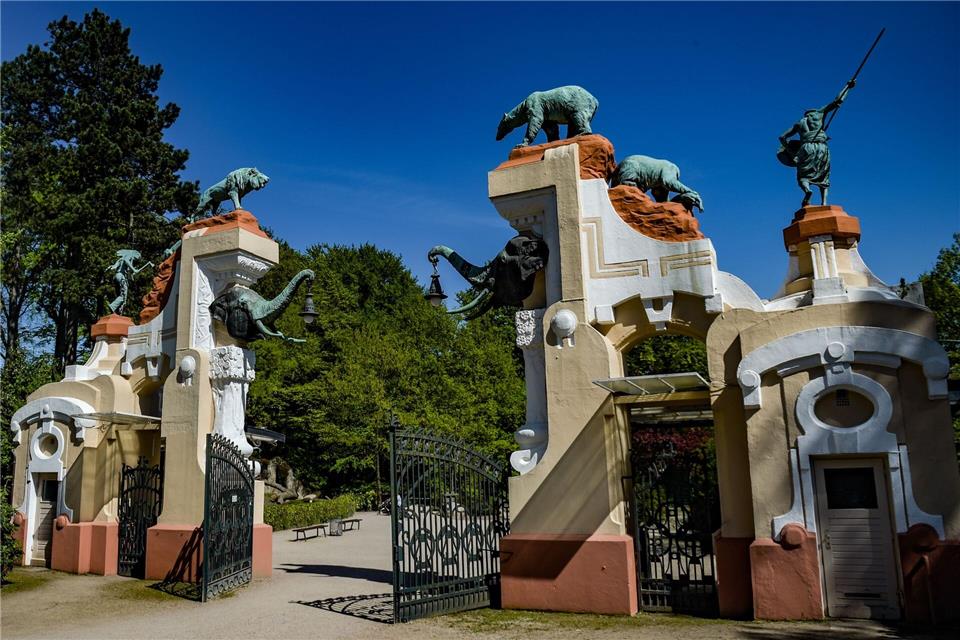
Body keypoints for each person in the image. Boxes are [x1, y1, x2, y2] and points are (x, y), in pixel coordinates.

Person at [778, 80, 856, 207]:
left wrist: (792, 153)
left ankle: (808, 190)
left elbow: (782, 137)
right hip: (821, 147)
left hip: (805, 147)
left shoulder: (799, 123)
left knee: (803, 175)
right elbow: (837, 101)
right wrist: (848, 87)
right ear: (813, 112)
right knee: (824, 176)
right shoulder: (819, 113)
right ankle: (824, 203)